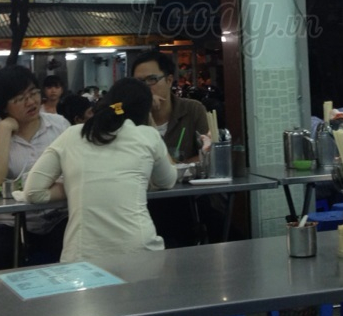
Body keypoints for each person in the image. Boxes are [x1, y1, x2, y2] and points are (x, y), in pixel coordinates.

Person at [23, 78, 177, 262]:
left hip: (82, 257)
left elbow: (33, 191)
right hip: (139, 251)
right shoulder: (147, 135)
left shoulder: (72, 134)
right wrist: (151, 126)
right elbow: (167, 181)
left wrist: (75, 186)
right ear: (145, 111)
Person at [0, 65, 69, 272]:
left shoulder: (59, 125)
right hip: (9, 222)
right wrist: (4, 129)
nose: (31, 102)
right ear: (3, 106)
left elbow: (74, 169)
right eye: (19, 99)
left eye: (33, 93)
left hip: (59, 217)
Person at [131, 50, 211, 246]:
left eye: (152, 80)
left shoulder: (192, 110)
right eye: (139, 83)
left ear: (169, 80)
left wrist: (175, 167)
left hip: (185, 199)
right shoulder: (130, 118)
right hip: (142, 202)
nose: (145, 88)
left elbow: (206, 155)